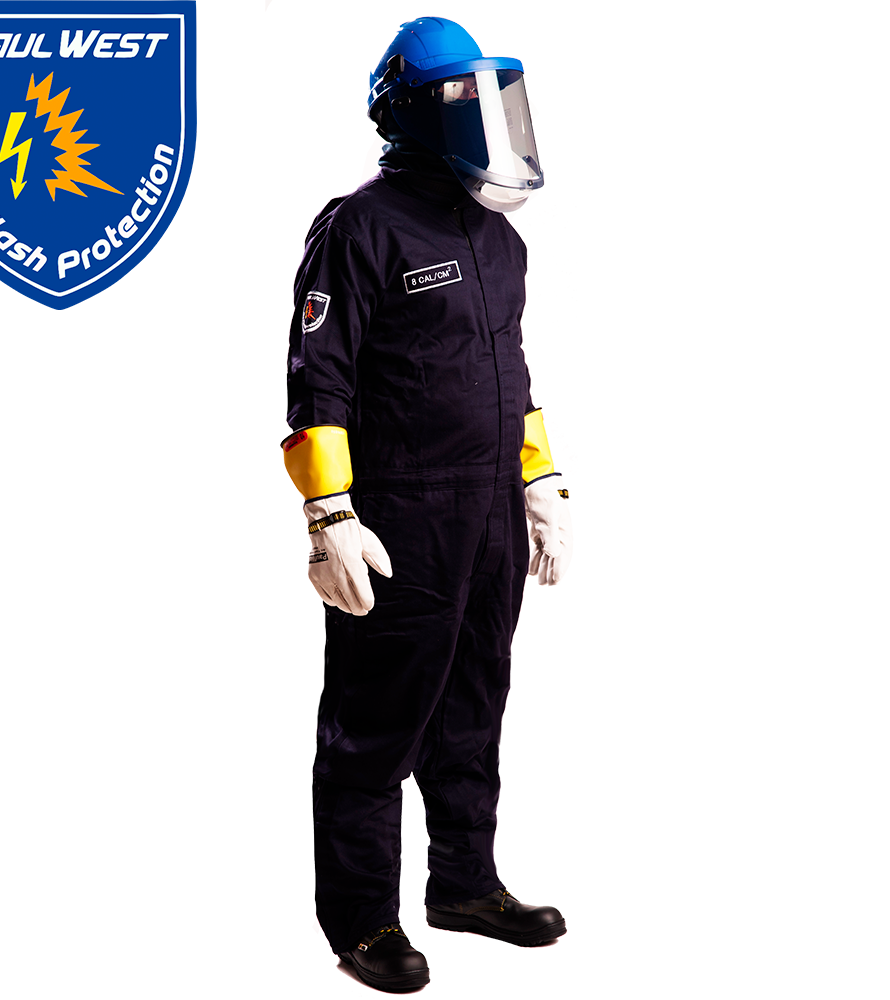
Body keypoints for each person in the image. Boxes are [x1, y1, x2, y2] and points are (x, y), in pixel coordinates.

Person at [282, 17, 572, 993]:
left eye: (489, 99)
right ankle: (362, 920)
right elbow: (318, 378)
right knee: (374, 724)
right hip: (401, 515)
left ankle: (465, 886)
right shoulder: (359, 227)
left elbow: (509, 372)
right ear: (411, 111)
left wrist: (539, 479)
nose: (483, 118)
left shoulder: (498, 239)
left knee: (473, 705)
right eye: (459, 98)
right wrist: (329, 515)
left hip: (489, 512)